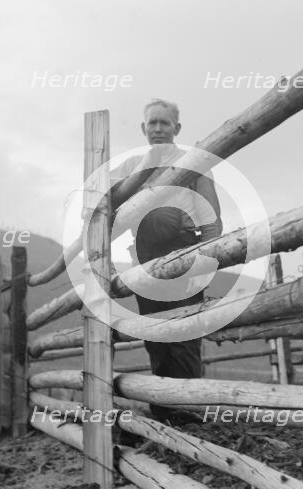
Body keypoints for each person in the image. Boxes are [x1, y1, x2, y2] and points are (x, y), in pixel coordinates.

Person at [111, 99, 222, 421]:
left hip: (185, 250)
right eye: (152, 123)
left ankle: (187, 412)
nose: (158, 129)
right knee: (156, 335)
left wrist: (208, 260)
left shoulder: (194, 163)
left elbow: (211, 218)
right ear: (143, 128)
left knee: (184, 332)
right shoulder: (131, 166)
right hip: (145, 256)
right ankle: (163, 410)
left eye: (164, 123)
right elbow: (100, 201)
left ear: (177, 128)